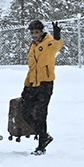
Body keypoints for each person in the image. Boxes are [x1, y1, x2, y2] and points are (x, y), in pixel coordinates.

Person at [22, 19, 63, 155]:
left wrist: (57, 36)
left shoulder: (49, 42)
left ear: (42, 32)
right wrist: (26, 86)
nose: (34, 35)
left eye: (37, 32)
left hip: (45, 83)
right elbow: (31, 68)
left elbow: (57, 46)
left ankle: (41, 146)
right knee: (26, 112)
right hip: (33, 83)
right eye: (32, 33)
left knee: (41, 114)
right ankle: (44, 135)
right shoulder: (33, 46)